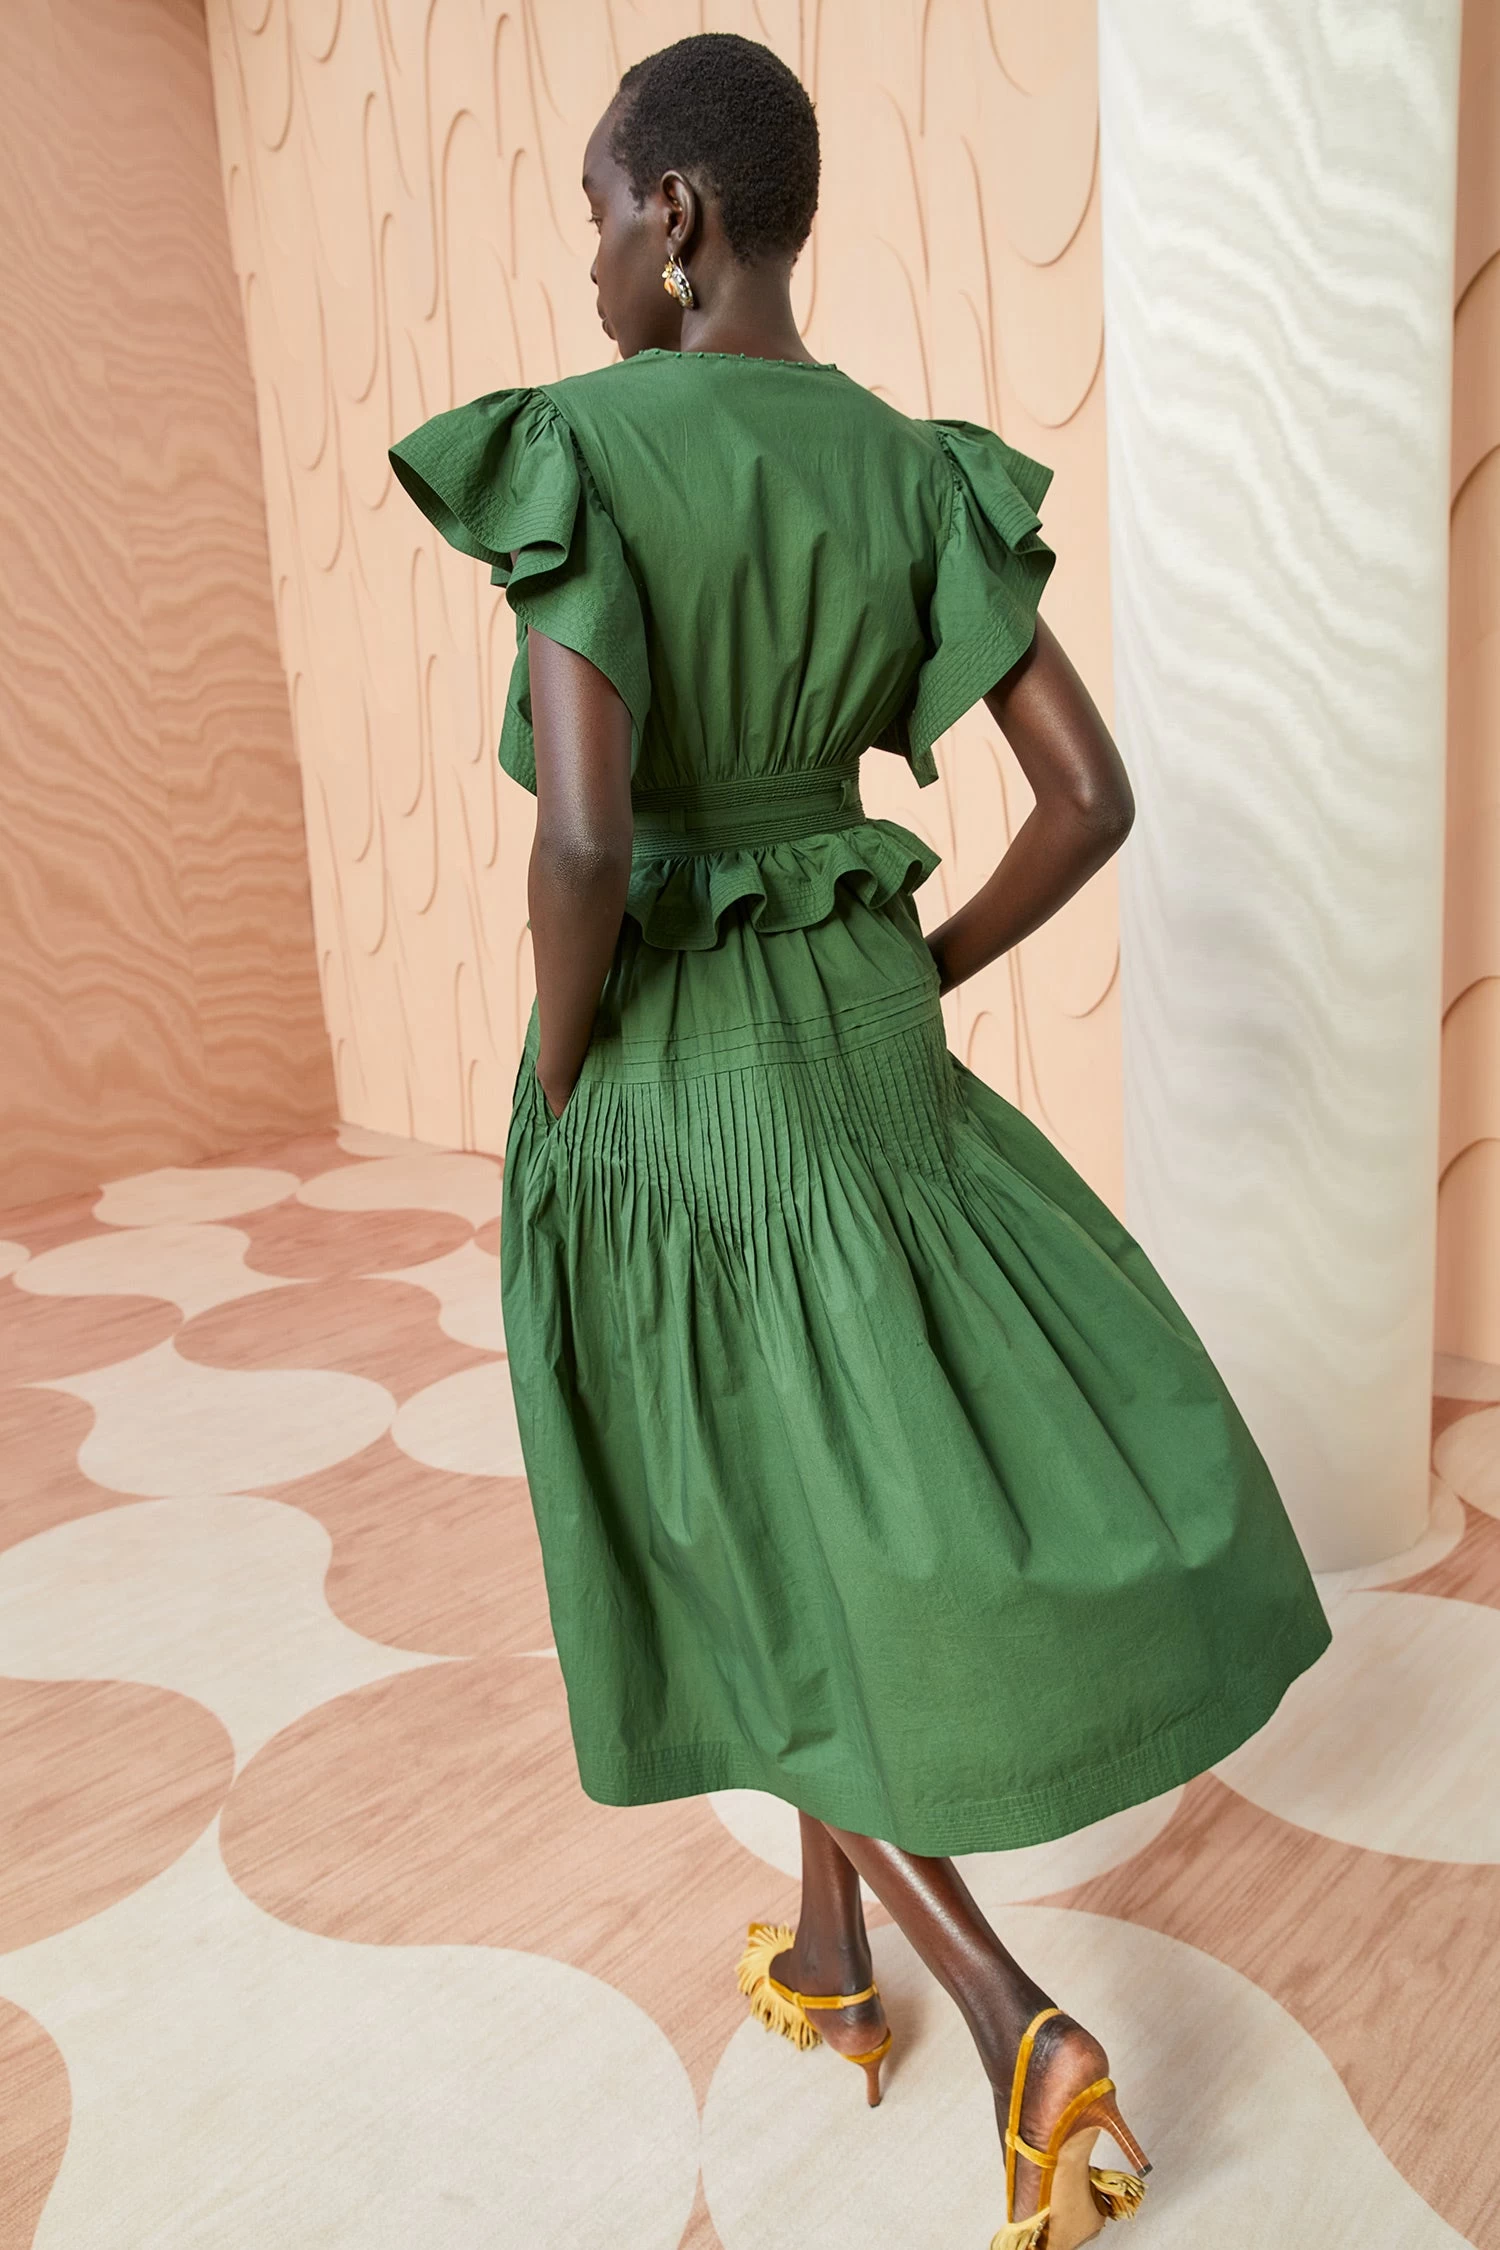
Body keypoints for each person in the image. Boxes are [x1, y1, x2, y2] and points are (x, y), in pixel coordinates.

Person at [389, 32, 1331, 2248]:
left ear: (676, 215)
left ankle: (1011, 2019)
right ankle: (832, 1955)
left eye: (596, 214)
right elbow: (1088, 797)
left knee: (741, 1543)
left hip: (678, 1088)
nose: (589, 262)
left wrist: (561, 1066)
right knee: (801, 1501)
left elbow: (587, 839)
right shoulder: (915, 469)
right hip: (866, 1050)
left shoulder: (582, 449)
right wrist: (935, 966)